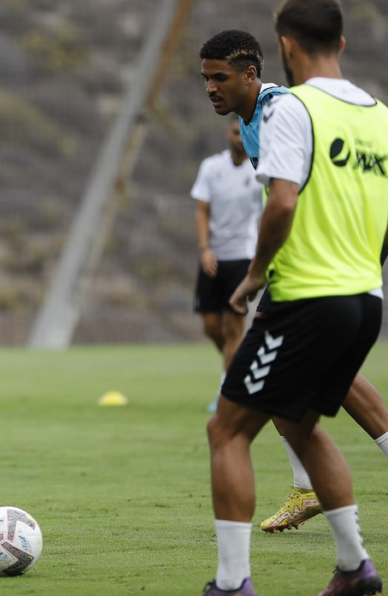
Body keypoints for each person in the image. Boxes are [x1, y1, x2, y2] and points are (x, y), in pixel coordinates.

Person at [203, 1, 388, 594]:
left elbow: (282, 202)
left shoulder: (291, 107)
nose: (210, 88)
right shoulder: (379, 117)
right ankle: (354, 566)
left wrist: (255, 275)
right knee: (296, 420)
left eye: (218, 77)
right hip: (363, 294)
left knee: (227, 430)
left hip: (307, 291)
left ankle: (232, 584)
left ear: (281, 48)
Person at [191, 119, 262, 411]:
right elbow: (202, 211)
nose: (240, 139)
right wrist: (205, 248)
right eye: (235, 133)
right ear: (228, 133)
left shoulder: (261, 170)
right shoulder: (211, 167)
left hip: (242, 256)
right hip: (213, 257)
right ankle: (240, 368)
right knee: (210, 326)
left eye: (244, 134)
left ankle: (225, 391)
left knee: (234, 326)